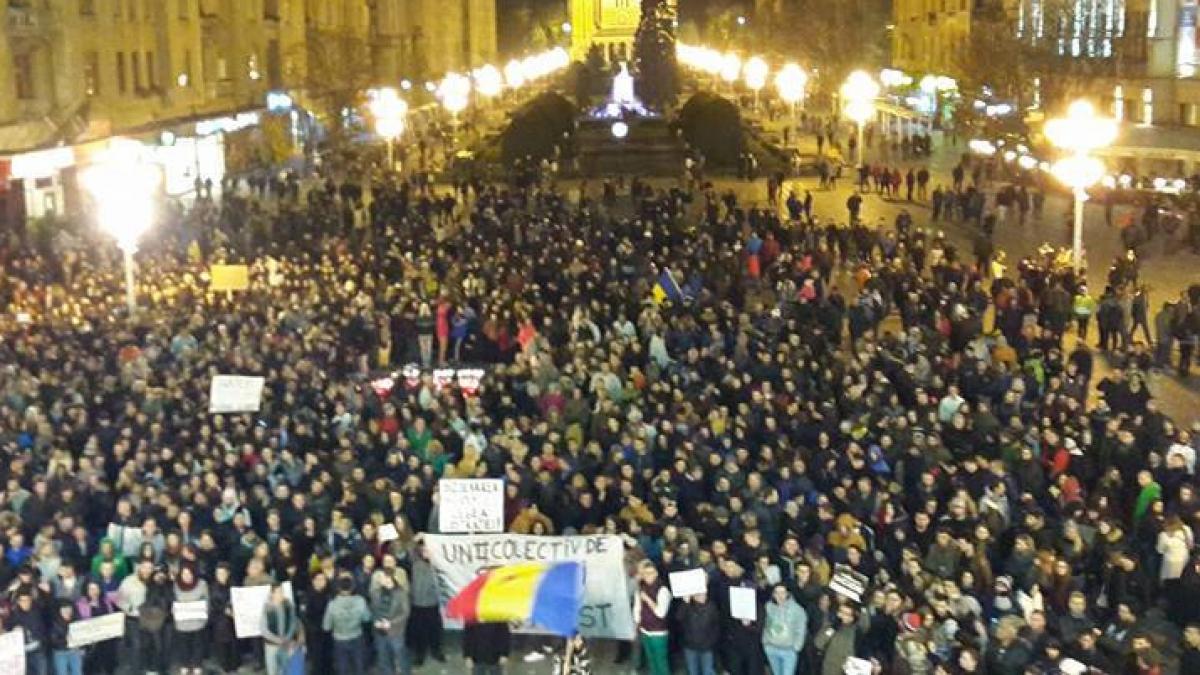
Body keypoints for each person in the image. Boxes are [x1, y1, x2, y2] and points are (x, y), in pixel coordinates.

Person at [322, 575, 372, 674]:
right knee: (359, 667)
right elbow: (367, 618)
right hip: (357, 637)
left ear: (338, 588)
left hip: (339, 639)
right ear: (352, 587)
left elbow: (326, 626)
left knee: (342, 669)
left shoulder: (332, 604)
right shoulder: (360, 601)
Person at [633, 561, 672, 675]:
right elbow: (637, 607)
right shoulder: (641, 588)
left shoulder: (663, 590)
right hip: (645, 629)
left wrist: (648, 599)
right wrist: (637, 623)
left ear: (656, 574)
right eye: (645, 574)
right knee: (651, 660)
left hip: (658, 632)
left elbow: (661, 613)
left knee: (661, 661)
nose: (648, 576)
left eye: (651, 573)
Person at [369, 569, 411, 675]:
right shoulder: (375, 592)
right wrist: (375, 621)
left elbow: (405, 613)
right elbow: (372, 609)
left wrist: (391, 623)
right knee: (383, 658)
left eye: (382, 577)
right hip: (379, 631)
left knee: (401, 657)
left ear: (390, 578)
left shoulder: (401, 593)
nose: (380, 579)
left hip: (396, 632)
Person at [762, 584, 808, 675]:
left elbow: (801, 629)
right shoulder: (768, 606)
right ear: (773, 594)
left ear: (787, 593)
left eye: (782, 592)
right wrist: (765, 641)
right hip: (771, 648)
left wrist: (796, 647)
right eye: (777, 593)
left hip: (788, 651)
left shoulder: (797, 609)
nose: (780, 596)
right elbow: (765, 624)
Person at [172, 564, 209, 675]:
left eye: (189, 573)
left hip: (198, 621)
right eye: (184, 574)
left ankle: (197, 665)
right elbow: (173, 600)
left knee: (198, 645)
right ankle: (185, 664)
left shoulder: (202, 584)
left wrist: (205, 613)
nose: (187, 576)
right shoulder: (176, 585)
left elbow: (207, 600)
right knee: (183, 645)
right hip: (182, 622)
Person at [261, 582, 300, 675]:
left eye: (282, 592)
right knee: (272, 669)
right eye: (278, 592)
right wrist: (276, 639)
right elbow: (263, 628)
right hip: (271, 644)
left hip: (286, 643)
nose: (281, 594)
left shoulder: (288, 605)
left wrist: (287, 637)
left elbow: (292, 623)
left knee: (284, 669)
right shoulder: (267, 608)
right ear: (272, 593)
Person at [679, 592, 721, 675]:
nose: (702, 596)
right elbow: (679, 617)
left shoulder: (711, 606)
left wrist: (711, 642)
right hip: (690, 646)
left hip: (706, 647)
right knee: (693, 671)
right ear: (693, 596)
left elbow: (717, 626)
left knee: (707, 671)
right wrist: (685, 603)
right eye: (699, 594)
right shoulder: (687, 606)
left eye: (704, 594)